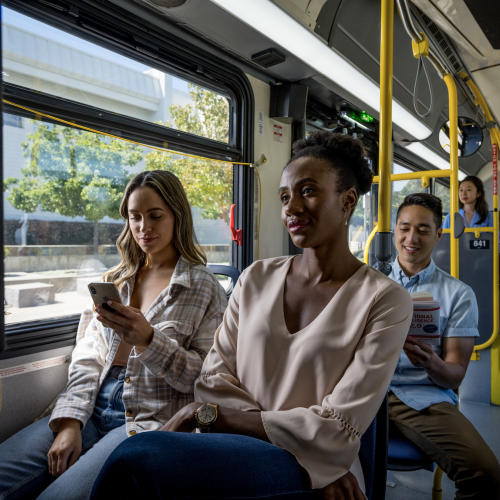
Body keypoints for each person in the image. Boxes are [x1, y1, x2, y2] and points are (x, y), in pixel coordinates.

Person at [91, 131, 413, 500]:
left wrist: (212, 415)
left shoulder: (386, 301)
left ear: (348, 201)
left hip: (313, 466)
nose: (291, 208)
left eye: (308, 191)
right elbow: (212, 380)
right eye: (284, 197)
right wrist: (259, 422)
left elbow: (336, 429)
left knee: (136, 460)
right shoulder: (256, 277)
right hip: (236, 445)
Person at [0, 171, 227, 500]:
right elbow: (88, 356)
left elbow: (207, 380)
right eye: (135, 217)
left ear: (178, 215)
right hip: (91, 403)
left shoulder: (204, 288)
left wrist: (148, 340)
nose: (143, 228)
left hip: (147, 418)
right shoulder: (118, 280)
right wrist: (70, 422)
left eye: (155, 216)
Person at [389, 193, 500, 499]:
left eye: (423, 230)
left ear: (439, 235)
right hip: (363, 388)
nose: (411, 238)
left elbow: (454, 376)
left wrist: (430, 362)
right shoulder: (369, 281)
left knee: (486, 475)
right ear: (395, 229)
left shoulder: (458, 295)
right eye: (404, 228)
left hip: (421, 396)